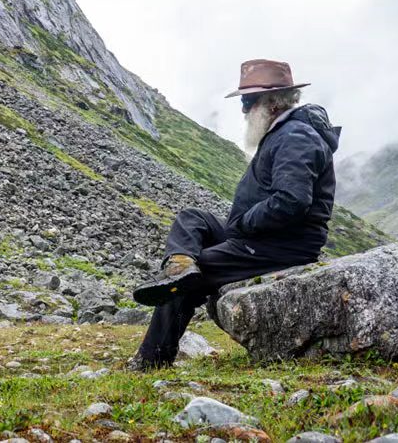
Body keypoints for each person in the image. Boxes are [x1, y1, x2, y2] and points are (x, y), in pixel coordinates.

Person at [129, 59, 341, 371]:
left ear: (270, 103)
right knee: (193, 219)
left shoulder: (296, 137)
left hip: (280, 245)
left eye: (247, 101)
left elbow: (292, 201)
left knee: (186, 282)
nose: (243, 110)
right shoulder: (286, 132)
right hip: (261, 236)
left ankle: (152, 361)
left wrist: (244, 223)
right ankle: (179, 262)